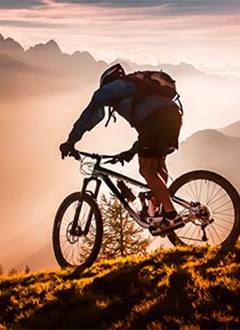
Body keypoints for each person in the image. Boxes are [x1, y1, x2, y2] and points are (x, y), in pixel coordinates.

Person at [59, 63, 184, 235]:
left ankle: (171, 215)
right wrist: (131, 152)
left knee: (147, 170)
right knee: (157, 167)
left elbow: (89, 114)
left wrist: (70, 141)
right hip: (174, 116)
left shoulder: (109, 90)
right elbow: (146, 128)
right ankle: (158, 212)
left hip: (154, 121)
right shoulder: (137, 90)